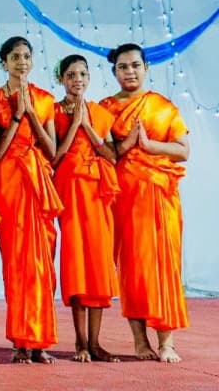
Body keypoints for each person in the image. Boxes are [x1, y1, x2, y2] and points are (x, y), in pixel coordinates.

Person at [99, 43, 190, 363]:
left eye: (135, 65)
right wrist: (126, 144)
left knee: (164, 267)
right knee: (132, 268)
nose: (130, 72)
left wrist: (150, 145)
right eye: (123, 67)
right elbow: (105, 153)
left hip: (160, 197)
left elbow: (183, 150)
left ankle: (167, 342)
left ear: (146, 68)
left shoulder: (162, 106)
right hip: (124, 198)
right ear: (114, 72)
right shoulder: (106, 108)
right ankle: (140, 341)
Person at [0, 36, 61, 364]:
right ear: (4, 62)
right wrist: (17, 116)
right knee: (16, 261)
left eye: (26, 56)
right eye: (15, 57)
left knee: (42, 263)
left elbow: (52, 150)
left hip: (39, 181)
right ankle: (19, 339)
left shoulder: (45, 99)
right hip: (10, 181)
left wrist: (31, 112)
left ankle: (40, 340)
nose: (21, 62)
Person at [51, 55, 121, 362]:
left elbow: (111, 155)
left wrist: (88, 126)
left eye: (82, 74)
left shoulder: (101, 113)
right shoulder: (53, 112)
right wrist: (74, 124)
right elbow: (54, 156)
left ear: (89, 78)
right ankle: (80, 342)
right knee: (76, 261)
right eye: (70, 75)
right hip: (70, 189)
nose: (77, 79)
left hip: (97, 192)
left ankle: (95, 342)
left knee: (98, 262)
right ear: (61, 79)